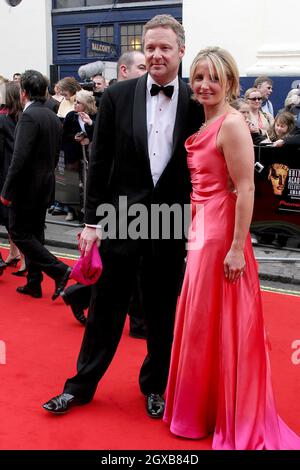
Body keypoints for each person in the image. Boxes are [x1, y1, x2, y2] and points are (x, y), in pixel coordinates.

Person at [42, 14, 203, 418]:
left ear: (181, 51)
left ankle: (156, 387)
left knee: (162, 311)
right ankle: (79, 386)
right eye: (150, 47)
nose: (156, 55)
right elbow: (100, 164)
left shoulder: (198, 103)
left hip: (169, 222)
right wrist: (92, 223)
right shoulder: (117, 96)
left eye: (165, 47)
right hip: (121, 218)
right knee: (106, 309)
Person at [163, 46, 300, 450]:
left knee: (216, 318)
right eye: (199, 77)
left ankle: (225, 411)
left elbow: (245, 189)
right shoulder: (208, 121)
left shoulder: (233, 124)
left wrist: (238, 247)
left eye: (214, 78)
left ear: (230, 83)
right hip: (202, 229)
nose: (204, 85)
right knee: (203, 319)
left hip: (222, 231)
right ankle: (201, 408)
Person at [0, 70, 71, 300]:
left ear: (23, 93)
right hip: (45, 184)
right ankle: (34, 283)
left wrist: (7, 191)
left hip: (26, 187)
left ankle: (59, 270)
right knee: (35, 234)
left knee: (19, 233)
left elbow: (18, 159)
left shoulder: (29, 117)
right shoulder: (51, 115)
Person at [0, 81, 26, 276]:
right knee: (13, 217)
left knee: (11, 219)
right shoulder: (25, 116)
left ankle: (24, 258)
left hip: (5, 173)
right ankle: (14, 253)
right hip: (21, 172)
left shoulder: (3, 119)